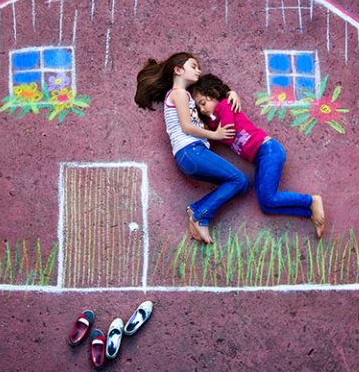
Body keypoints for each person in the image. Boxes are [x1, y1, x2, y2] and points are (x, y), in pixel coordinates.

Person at [189, 74, 325, 237]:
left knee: (270, 198)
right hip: (260, 159)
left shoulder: (224, 105)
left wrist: (228, 95)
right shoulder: (212, 122)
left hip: (268, 150)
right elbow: (214, 133)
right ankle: (309, 212)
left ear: (213, 93)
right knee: (266, 205)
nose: (202, 109)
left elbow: (228, 133)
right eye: (199, 107)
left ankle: (311, 200)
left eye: (203, 103)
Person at [135, 53, 249, 244]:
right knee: (238, 179)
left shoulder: (185, 95)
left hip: (191, 156)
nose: (199, 70)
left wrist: (230, 93)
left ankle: (197, 209)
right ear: (178, 70)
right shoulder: (178, 94)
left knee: (241, 184)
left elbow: (209, 94)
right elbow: (187, 127)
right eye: (194, 66)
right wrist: (216, 135)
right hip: (191, 151)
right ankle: (200, 215)